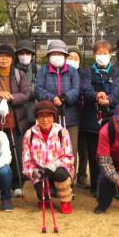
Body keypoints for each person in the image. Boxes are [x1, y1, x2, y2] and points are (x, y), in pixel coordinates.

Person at [0, 43, 30, 198]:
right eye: (0, 56)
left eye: (7, 56)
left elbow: (26, 94)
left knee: (16, 152)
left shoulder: (19, 75)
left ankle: (17, 183)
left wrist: (12, 97)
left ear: (12, 59)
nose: (4, 59)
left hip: (15, 120)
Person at [80, 40, 119, 197]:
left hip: (111, 117)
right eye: (99, 53)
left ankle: (115, 186)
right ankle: (96, 185)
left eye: (105, 53)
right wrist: (96, 95)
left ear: (111, 54)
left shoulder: (117, 72)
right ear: (93, 54)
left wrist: (109, 100)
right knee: (94, 154)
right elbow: (86, 89)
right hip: (90, 117)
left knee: (113, 153)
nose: (102, 56)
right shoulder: (86, 72)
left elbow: (117, 91)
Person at [35, 39, 81, 171]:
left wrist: (64, 98)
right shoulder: (42, 71)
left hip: (71, 117)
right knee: (51, 149)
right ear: (48, 56)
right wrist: (52, 98)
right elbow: (38, 90)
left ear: (65, 56)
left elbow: (76, 90)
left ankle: (70, 181)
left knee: (70, 149)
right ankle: (51, 180)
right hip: (49, 118)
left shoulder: (73, 71)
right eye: (53, 53)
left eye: (60, 54)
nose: (57, 56)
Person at [23, 100, 75, 214]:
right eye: (41, 116)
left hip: (59, 169)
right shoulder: (29, 134)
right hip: (41, 172)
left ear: (54, 117)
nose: (45, 120)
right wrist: (33, 171)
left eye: (48, 116)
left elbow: (69, 157)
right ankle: (45, 198)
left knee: (60, 174)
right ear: (36, 118)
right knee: (44, 193)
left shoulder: (62, 132)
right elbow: (26, 162)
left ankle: (65, 201)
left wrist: (53, 165)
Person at [65, 49, 86, 187]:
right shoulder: (64, 74)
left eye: (75, 57)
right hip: (70, 115)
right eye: (70, 57)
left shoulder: (84, 75)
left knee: (83, 149)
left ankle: (82, 175)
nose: (72, 59)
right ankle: (68, 177)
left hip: (84, 115)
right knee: (70, 148)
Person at [14, 39, 38, 127]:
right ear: (17, 55)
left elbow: (39, 89)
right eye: (21, 53)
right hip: (16, 113)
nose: (24, 56)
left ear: (32, 55)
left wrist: (22, 91)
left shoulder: (37, 69)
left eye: (28, 53)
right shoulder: (12, 70)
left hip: (33, 113)